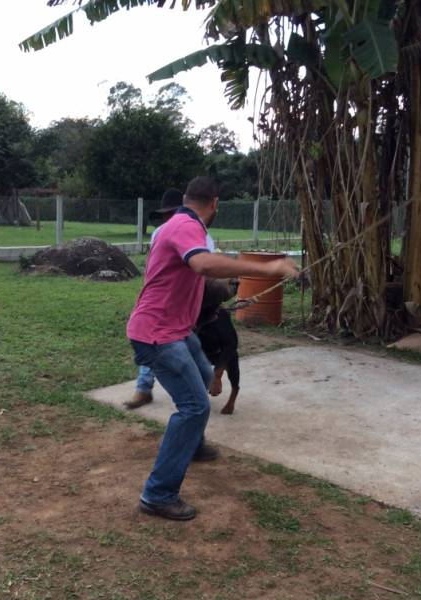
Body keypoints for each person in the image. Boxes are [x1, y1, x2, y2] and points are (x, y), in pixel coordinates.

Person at [127, 176, 299, 521]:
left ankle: (191, 444)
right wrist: (268, 267)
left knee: (206, 377)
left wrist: (225, 293)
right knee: (193, 408)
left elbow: (198, 276)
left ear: (188, 198)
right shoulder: (186, 227)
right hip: (159, 335)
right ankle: (158, 494)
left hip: (175, 330)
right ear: (215, 204)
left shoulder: (177, 224)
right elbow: (203, 264)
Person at [126, 188, 216, 410]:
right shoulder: (165, 232)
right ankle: (146, 388)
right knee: (161, 347)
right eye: (166, 214)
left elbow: (205, 270)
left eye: (171, 212)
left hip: (185, 309)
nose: (169, 218)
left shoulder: (201, 235)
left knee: (197, 366)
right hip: (161, 314)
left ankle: (192, 406)